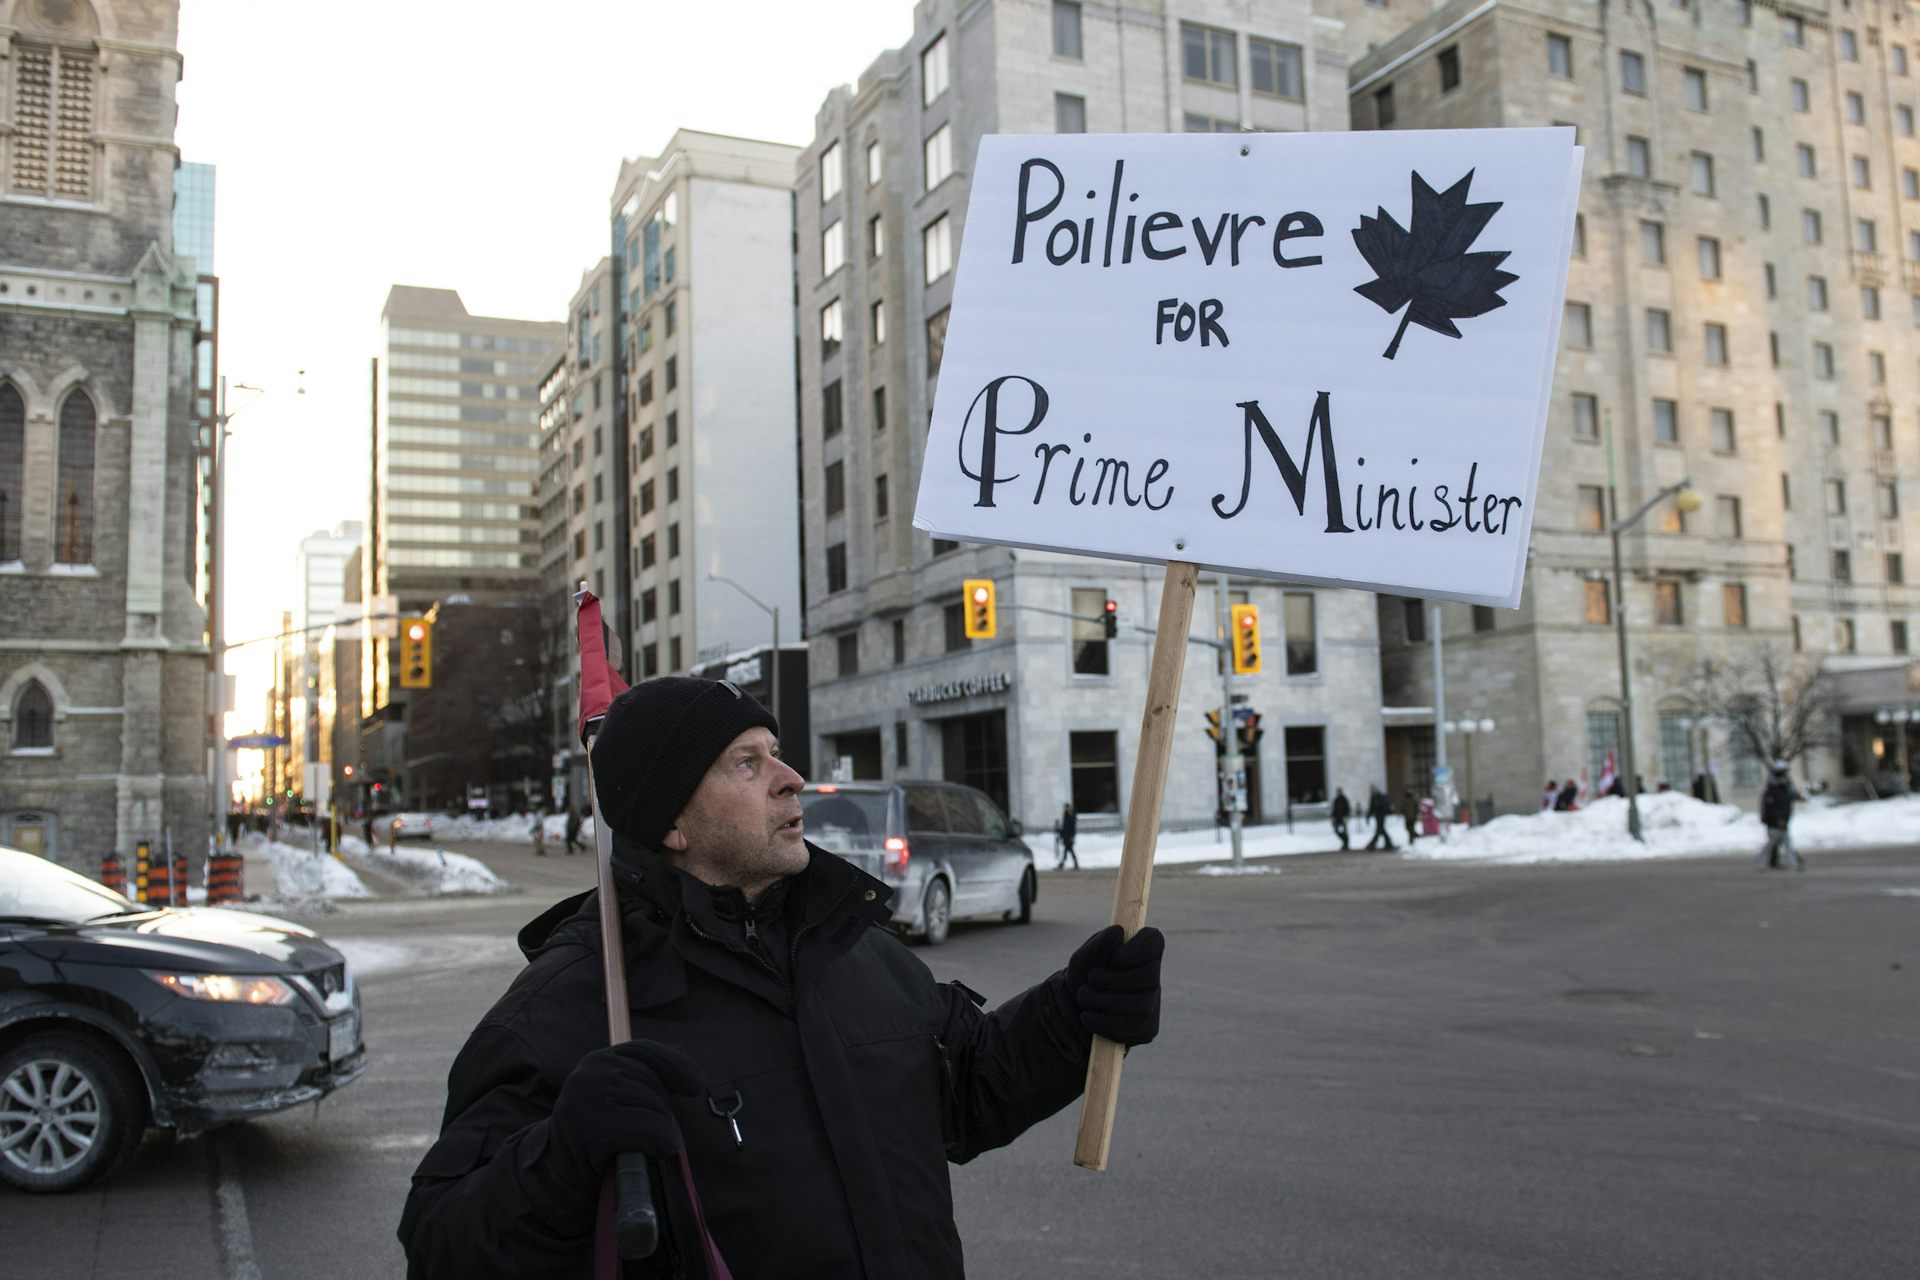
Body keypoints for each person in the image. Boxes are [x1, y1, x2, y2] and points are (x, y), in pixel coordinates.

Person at [399, 677, 1165, 1278]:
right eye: (747, 762)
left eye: (777, 751)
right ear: (673, 823)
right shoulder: (572, 1006)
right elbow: (443, 1248)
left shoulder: (856, 950)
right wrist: (560, 1156)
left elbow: (969, 1088)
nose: (791, 778)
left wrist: (1076, 1012)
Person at [1757, 760, 1803, 871]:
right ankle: (1762, 861)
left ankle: (1793, 863)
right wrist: (1778, 819)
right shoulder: (1772, 790)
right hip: (1775, 822)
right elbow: (1771, 807)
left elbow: (1791, 798)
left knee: (1785, 843)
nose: (1786, 778)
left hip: (1783, 821)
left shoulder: (1785, 789)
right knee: (1772, 844)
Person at [1363, 786, 1396, 851]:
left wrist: (1381, 813)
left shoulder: (1381, 797)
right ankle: (1388, 843)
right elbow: (1371, 808)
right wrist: (1368, 816)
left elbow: (1384, 807)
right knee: (1381, 830)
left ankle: (1373, 844)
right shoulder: (1373, 798)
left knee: (1379, 830)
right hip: (1377, 816)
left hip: (1381, 816)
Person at [1056, 801, 1078, 870]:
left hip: (1069, 838)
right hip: (1066, 837)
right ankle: (1075, 865)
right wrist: (1059, 832)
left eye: (1066, 808)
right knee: (1069, 851)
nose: (1065, 809)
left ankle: (1062, 865)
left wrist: (1072, 837)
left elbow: (1072, 828)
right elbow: (1064, 828)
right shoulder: (1066, 816)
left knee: (1067, 851)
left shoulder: (1071, 817)